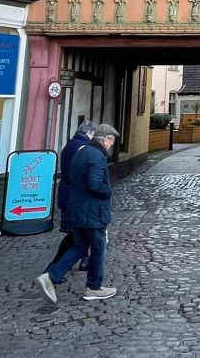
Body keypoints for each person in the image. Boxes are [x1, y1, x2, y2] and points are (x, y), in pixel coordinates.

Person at [36, 123, 119, 302]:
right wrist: (108, 191)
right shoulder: (97, 156)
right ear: (106, 139)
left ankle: (50, 276)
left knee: (79, 246)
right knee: (98, 247)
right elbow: (95, 184)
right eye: (112, 141)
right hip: (93, 212)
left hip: (78, 209)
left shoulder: (81, 152)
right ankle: (94, 287)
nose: (112, 145)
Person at [44, 120, 95, 277]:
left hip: (68, 194)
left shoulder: (70, 146)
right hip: (75, 197)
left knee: (76, 235)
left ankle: (60, 268)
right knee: (76, 236)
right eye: (92, 135)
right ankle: (53, 270)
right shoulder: (83, 148)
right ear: (88, 133)